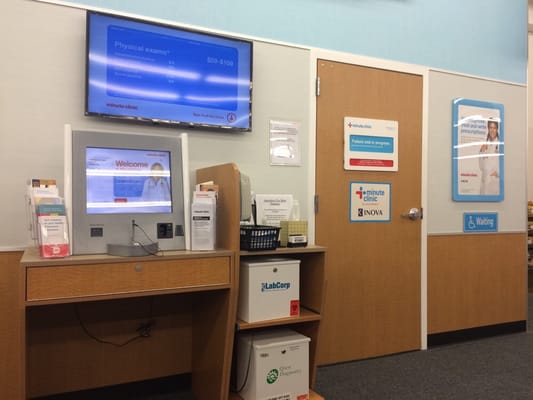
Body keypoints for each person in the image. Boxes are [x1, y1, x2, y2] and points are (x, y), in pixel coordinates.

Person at [478, 119, 501, 195]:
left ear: (497, 129)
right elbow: (481, 167)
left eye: (494, 128)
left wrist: (498, 173)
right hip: (484, 183)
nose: (492, 130)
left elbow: (507, 165)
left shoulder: (500, 144)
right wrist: (481, 152)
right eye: (490, 127)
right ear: (488, 129)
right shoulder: (485, 144)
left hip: (494, 183)